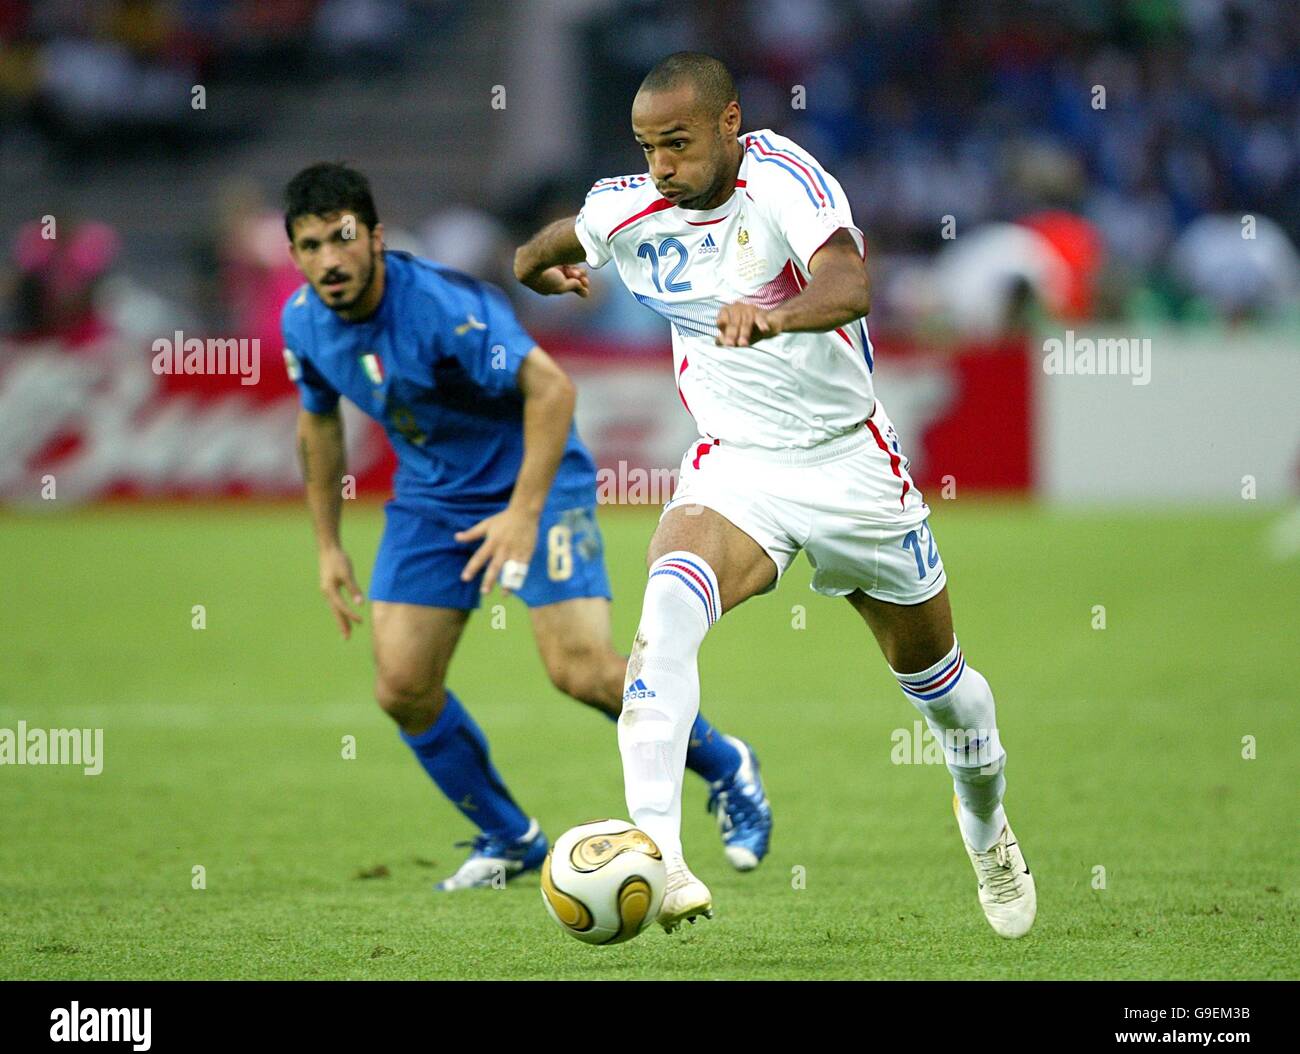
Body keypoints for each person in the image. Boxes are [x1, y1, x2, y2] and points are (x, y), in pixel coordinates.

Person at [514, 53, 1035, 936]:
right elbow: (544, 245)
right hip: (737, 466)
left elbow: (848, 281)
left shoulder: (782, 176)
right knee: (664, 621)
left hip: (849, 467)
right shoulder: (626, 208)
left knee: (944, 691)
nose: (662, 168)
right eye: (647, 149)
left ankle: (986, 827)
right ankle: (662, 855)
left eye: (677, 144)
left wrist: (776, 315)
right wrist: (539, 269)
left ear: (728, 124)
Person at [280, 162, 772, 891]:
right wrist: (326, 546)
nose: (329, 259)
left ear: (376, 238)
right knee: (403, 686)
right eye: (310, 245)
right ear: (294, 255)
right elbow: (317, 423)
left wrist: (521, 513)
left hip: (535, 478)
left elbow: (553, 389)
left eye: (342, 238)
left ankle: (727, 764)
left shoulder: (444, 308)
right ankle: (509, 837)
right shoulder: (304, 323)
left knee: (580, 669)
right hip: (431, 498)